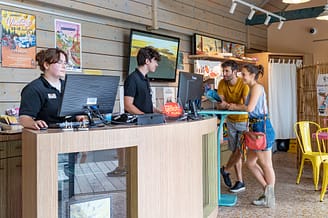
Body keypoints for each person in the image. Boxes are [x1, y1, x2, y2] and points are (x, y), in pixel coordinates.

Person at [107, 46, 161, 177]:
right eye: (155, 61)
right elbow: (128, 105)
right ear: (147, 61)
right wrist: (145, 117)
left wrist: (158, 111)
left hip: (147, 123)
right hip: (138, 124)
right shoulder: (132, 79)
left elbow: (146, 104)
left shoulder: (145, 79)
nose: (157, 64)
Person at [227, 63, 276, 208]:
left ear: (252, 75)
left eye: (243, 74)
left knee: (267, 165)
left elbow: (249, 108)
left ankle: (270, 197)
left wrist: (234, 106)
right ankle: (267, 192)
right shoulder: (251, 88)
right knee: (250, 163)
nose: (241, 77)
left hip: (262, 128)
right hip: (255, 127)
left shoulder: (257, 88)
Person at [217, 60, 249, 193]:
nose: (224, 74)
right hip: (230, 121)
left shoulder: (244, 84)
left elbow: (247, 106)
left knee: (240, 151)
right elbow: (219, 103)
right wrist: (223, 105)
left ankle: (225, 170)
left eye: (227, 71)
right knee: (235, 150)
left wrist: (232, 106)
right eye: (223, 71)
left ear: (235, 72)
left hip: (243, 121)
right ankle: (240, 181)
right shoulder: (221, 83)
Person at [19, 48, 68, 129]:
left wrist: (80, 117)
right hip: (48, 136)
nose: (64, 66)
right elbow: (24, 118)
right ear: (46, 65)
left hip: (73, 134)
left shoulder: (68, 86)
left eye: (65, 63)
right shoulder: (34, 89)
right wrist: (33, 123)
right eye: (59, 62)